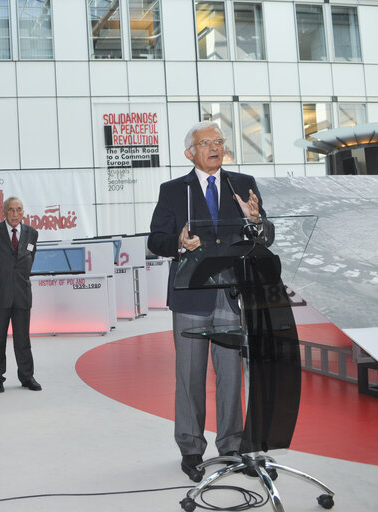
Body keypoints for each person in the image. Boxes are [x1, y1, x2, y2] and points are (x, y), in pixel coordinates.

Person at [148, 121, 274, 482]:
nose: (215, 147)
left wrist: (257, 220)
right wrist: (178, 242)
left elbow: (265, 235)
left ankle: (232, 446)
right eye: (206, 143)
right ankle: (190, 449)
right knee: (189, 377)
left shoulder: (242, 184)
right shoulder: (173, 191)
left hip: (231, 297)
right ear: (191, 152)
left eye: (219, 141)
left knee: (231, 376)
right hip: (191, 297)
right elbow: (156, 239)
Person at [0, 196, 41, 393]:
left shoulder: (32, 233)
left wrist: (18, 280)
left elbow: (29, 259)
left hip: (22, 294)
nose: (15, 213)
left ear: (23, 213)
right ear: (4, 212)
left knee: (23, 339)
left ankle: (27, 376)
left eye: (19, 209)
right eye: (11, 210)